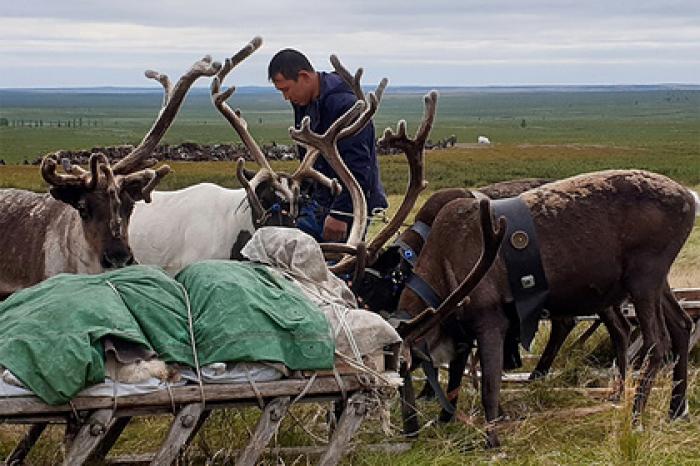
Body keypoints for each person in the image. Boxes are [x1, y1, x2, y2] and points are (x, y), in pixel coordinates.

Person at [268, 49, 388, 242]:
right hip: (321, 200)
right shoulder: (304, 102)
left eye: (286, 89)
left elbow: (359, 166)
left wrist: (340, 214)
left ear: (304, 76)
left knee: (336, 264)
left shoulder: (344, 104)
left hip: (351, 205)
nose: (286, 97)